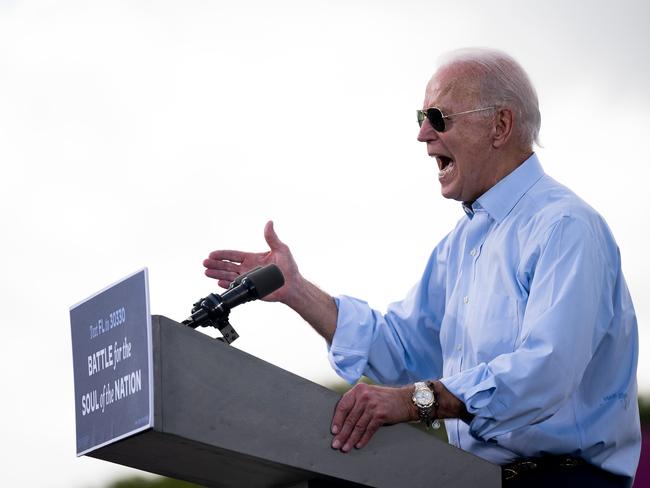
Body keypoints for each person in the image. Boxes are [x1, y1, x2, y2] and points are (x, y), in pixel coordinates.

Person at [203, 48, 641, 486]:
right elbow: (401, 349)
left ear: (500, 126)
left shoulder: (564, 226)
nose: (423, 134)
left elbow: (546, 371)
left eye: (438, 116)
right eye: (421, 116)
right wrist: (296, 290)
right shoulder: (460, 245)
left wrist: (418, 400)